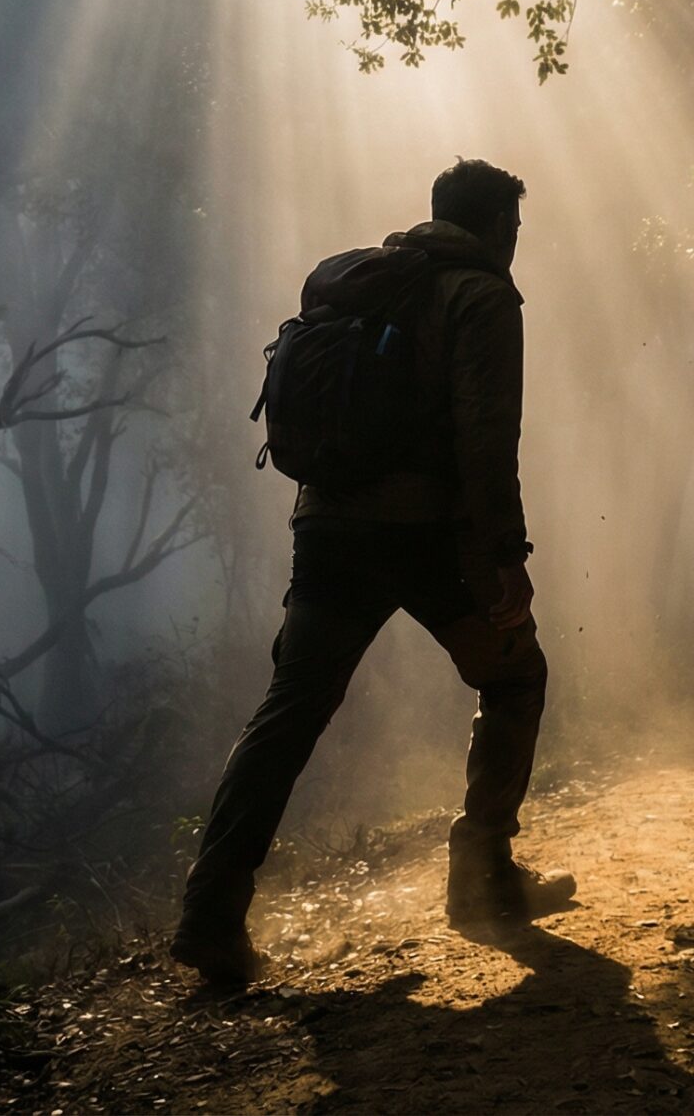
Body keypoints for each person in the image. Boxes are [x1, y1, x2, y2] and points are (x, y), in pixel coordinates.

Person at [170, 159, 574, 985]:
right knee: (515, 673)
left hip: (326, 523)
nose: (516, 243)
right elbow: (486, 437)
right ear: (498, 227)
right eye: (515, 228)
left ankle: (210, 914)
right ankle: (484, 877)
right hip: (421, 535)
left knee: (290, 710)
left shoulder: (367, 283)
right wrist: (506, 556)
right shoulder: (482, 297)